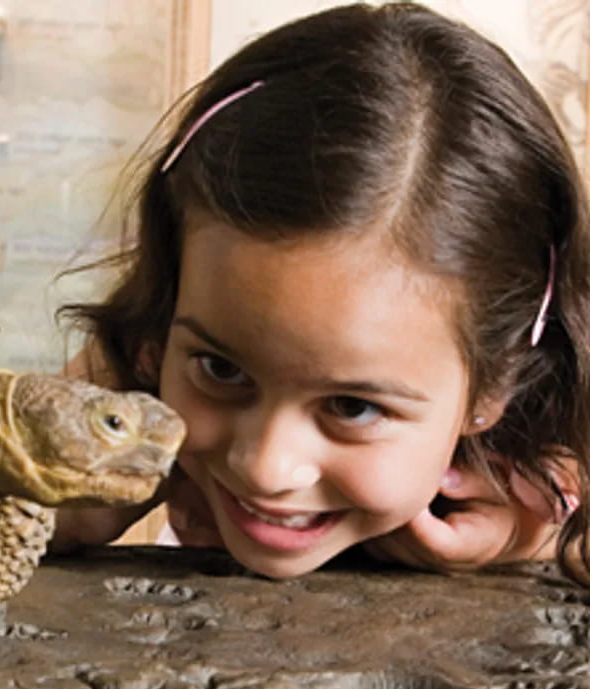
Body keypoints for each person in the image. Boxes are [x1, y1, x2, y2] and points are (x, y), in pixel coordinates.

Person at [47, 1, 590, 585]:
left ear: (494, 385)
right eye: (220, 370)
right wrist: (40, 503)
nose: (265, 467)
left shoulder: (556, 460)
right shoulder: (126, 383)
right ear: (167, 312)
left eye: (353, 407)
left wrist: (544, 541)